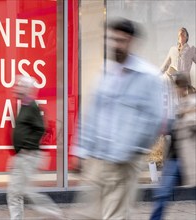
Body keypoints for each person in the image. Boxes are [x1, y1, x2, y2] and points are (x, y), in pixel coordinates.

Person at [71, 18, 164, 220]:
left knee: (115, 216)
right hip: (98, 160)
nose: (114, 44)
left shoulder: (147, 76)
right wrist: (81, 151)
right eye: (111, 39)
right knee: (87, 215)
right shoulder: (105, 73)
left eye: (120, 40)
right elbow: (91, 115)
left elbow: (156, 119)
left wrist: (131, 149)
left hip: (124, 162)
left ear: (131, 41)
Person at [6, 75, 63, 220]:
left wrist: (26, 148)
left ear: (26, 89)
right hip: (23, 156)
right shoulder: (24, 106)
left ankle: (53, 213)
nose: (16, 88)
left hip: (28, 156)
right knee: (16, 192)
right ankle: (51, 213)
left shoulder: (32, 106)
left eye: (19, 85)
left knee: (24, 191)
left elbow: (40, 129)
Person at [150, 74, 196, 220]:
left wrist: (186, 114)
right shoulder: (177, 105)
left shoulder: (192, 103)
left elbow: (192, 124)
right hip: (173, 158)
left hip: (188, 158)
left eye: (177, 87)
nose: (175, 90)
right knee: (162, 194)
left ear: (183, 87)